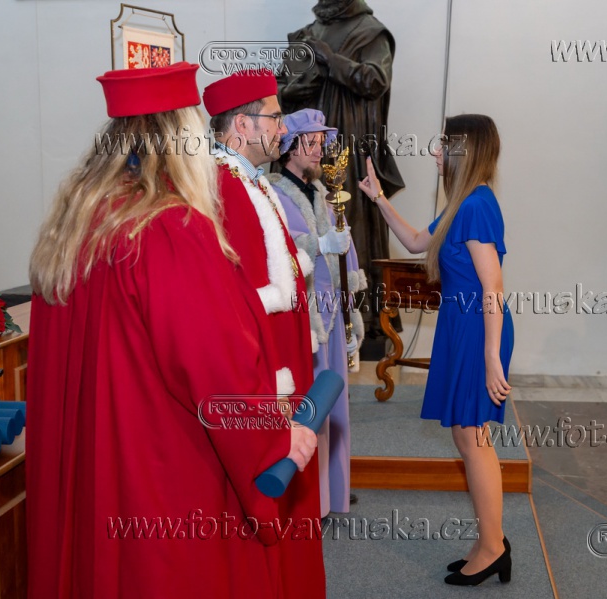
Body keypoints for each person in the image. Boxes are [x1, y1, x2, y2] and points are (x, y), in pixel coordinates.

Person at [26, 63, 319, 599]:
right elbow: (217, 371)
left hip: (100, 469)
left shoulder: (76, 226)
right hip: (166, 474)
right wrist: (277, 443)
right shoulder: (170, 229)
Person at [358, 114, 514, 587]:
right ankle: (490, 541)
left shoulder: (476, 206)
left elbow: (493, 287)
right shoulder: (462, 204)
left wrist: (491, 357)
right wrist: (378, 198)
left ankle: (494, 548)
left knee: (474, 438)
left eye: (443, 144)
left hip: (476, 330)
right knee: (468, 438)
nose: (434, 151)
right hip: (460, 327)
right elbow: (413, 241)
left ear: (464, 150)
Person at [203, 70, 327, 597]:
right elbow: (234, 309)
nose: (283, 128)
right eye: (275, 117)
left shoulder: (254, 181)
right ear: (240, 125)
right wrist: (268, 392)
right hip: (265, 382)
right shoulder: (224, 187)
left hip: (287, 371)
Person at [279, 0, 405, 333]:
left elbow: (375, 81)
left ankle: (360, 317)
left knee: (349, 221)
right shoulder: (305, 34)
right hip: (298, 152)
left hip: (346, 143)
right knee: (297, 221)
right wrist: (292, 91)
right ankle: (303, 312)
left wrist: (330, 58)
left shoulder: (370, 32)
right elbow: (277, 89)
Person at [268, 108, 366, 515]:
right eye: (311, 141)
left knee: (335, 403)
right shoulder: (274, 193)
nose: (318, 149)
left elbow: (345, 254)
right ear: (290, 147)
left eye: (321, 141)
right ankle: (310, 498)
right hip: (304, 318)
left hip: (332, 314)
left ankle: (333, 490)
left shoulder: (324, 193)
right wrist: (318, 245)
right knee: (309, 403)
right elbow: (278, 248)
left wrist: (353, 316)